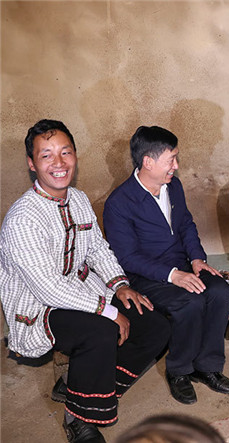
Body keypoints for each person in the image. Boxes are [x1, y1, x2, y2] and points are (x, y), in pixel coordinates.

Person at [0, 120, 170, 443]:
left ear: (75, 156)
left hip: (80, 290)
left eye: (66, 152)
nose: (59, 163)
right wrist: (108, 310)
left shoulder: (77, 199)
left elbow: (96, 249)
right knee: (101, 330)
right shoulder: (23, 218)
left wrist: (120, 285)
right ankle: (77, 418)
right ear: (31, 164)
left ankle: (80, 387)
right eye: (46, 155)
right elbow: (48, 288)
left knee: (155, 326)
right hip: (39, 307)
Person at [103, 126, 229, 405]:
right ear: (148, 162)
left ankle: (207, 366)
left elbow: (186, 224)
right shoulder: (119, 202)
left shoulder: (173, 186)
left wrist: (197, 259)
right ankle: (179, 371)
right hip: (145, 276)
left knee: (220, 291)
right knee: (189, 302)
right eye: (171, 159)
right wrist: (172, 275)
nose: (176, 166)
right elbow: (127, 257)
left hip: (181, 265)